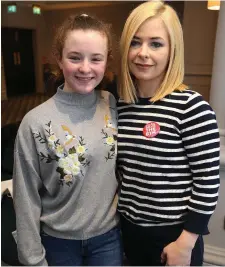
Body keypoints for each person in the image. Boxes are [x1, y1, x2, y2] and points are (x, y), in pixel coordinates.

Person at [13, 14, 123, 266]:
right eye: (75, 57)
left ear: (107, 62)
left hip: (108, 239)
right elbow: (25, 196)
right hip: (58, 242)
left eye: (96, 59)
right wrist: (32, 259)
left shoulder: (112, 105)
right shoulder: (35, 122)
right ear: (59, 60)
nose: (85, 68)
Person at [117, 1, 220, 266]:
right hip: (127, 232)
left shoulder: (191, 107)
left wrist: (186, 242)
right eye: (135, 42)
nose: (143, 53)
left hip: (173, 237)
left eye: (156, 43)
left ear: (173, 49)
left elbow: (207, 181)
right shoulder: (120, 105)